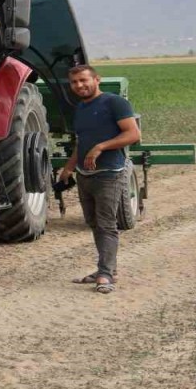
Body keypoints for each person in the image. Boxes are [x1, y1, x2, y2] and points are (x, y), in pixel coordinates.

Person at [56, 64, 141, 294]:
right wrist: (68, 169)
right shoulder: (81, 108)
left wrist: (101, 147)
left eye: (84, 80)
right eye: (74, 82)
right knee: (94, 223)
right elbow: (81, 142)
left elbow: (133, 134)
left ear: (97, 80)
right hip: (85, 175)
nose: (79, 85)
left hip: (109, 174)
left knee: (106, 225)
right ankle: (107, 269)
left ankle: (105, 275)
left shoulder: (114, 103)